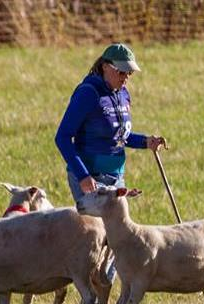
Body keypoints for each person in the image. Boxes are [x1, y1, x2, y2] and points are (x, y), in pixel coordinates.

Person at [55, 43, 164, 203]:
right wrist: (82, 175)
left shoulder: (123, 94)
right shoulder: (88, 93)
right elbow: (62, 137)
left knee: (117, 228)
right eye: (121, 71)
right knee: (96, 229)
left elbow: (119, 135)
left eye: (130, 72)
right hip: (91, 179)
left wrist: (145, 142)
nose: (125, 77)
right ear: (105, 66)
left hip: (117, 178)